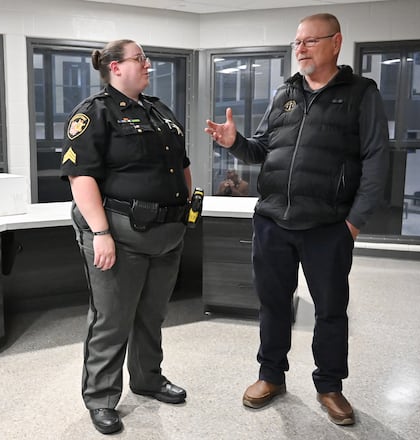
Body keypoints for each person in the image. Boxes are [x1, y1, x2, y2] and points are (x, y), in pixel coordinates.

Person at [205, 13, 389, 426]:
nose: (300, 49)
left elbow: (377, 159)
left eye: (309, 41)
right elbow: (261, 150)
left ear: (336, 42)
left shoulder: (360, 94)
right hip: (273, 220)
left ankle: (329, 386)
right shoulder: (285, 94)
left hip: (328, 226)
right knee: (272, 304)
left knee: (330, 310)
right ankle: (271, 376)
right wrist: (234, 143)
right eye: (297, 43)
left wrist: (354, 221)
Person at [60, 39, 192, 435]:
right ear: (115, 67)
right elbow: (80, 177)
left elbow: (180, 165)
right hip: (120, 233)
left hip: (168, 233)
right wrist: (100, 232)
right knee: (112, 320)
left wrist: (187, 207)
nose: (147, 64)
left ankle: (148, 378)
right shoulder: (93, 114)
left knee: (152, 315)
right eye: (139, 59)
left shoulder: (159, 110)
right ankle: (100, 398)